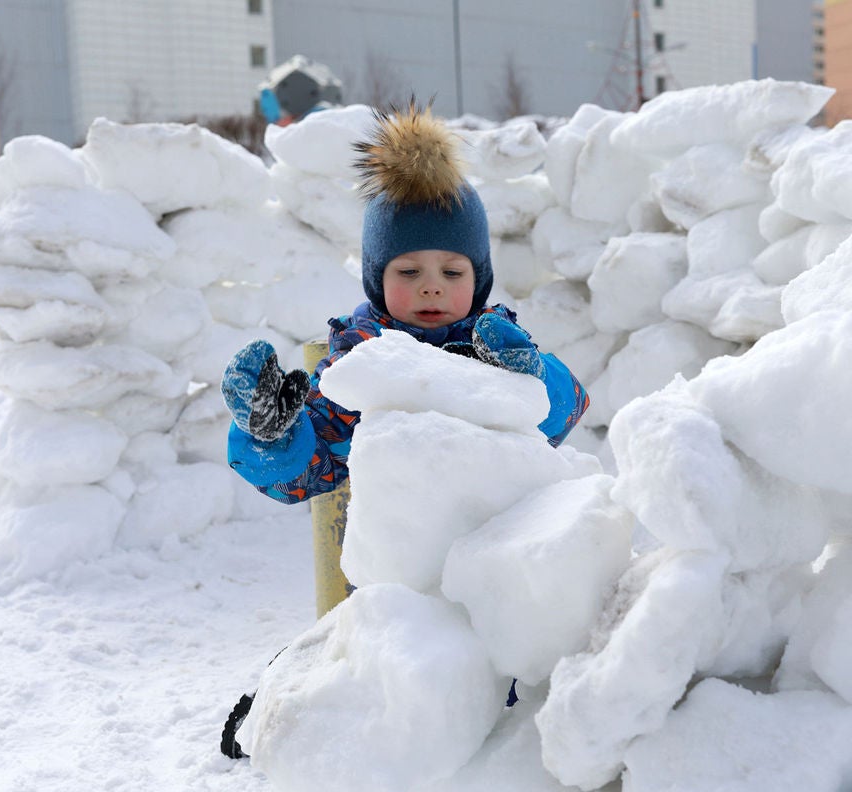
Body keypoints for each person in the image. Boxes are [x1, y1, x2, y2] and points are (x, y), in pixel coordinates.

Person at [216, 100, 591, 758]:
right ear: (375, 277)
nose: (430, 288)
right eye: (408, 271)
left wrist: (532, 375)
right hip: (398, 581)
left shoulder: (494, 344)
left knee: (508, 689)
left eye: (452, 272)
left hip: (498, 562)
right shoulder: (360, 366)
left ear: (478, 279)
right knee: (398, 686)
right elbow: (316, 464)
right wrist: (274, 435)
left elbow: (561, 410)